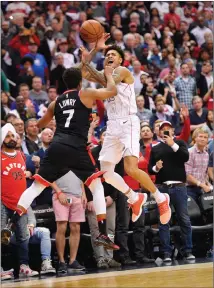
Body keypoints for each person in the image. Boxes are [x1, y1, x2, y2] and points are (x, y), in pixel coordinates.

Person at [6, 66, 119, 250]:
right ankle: (102, 233)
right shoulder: (86, 93)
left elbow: (40, 124)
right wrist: (107, 76)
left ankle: (11, 224)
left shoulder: (56, 101)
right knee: (97, 186)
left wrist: (41, 118)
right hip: (76, 147)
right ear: (80, 82)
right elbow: (112, 91)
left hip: (57, 147)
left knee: (36, 186)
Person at [80, 34, 171, 225]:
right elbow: (86, 74)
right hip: (112, 124)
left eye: (113, 54)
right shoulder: (107, 75)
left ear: (121, 59)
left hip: (128, 122)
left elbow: (99, 77)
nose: (110, 56)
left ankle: (161, 198)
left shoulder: (121, 71)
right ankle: (134, 197)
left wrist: (93, 65)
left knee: (130, 168)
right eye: (107, 55)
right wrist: (89, 56)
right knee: (106, 172)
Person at [148, 121, 195, 262]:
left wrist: (172, 144)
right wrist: (156, 168)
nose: (165, 131)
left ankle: (188, 250)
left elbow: (185, 157)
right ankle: (166, 253)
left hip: (179, 187)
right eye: (163, 129)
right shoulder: (155, 148)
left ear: (173, 130)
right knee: (164, 221)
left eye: (168, 128)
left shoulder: (180, 143)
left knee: (184, 219)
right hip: (162, 188)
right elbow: (150, 169)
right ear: (159, 132)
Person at [1, 123, 38, 277]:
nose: (11, 138)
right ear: (2, 139)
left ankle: (24, 266)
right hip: (2, 202)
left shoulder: (22, 156)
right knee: (1, 235)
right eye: (8, 136)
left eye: (13, 135)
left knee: (24, 236)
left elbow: (36, 167)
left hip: (21, 203)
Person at [53, 171, 87, 273]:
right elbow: (48, 177)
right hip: (60, 195)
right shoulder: (53, 156)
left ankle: (72, 260)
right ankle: (61, 261)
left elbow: (81, 177)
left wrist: (83, 193)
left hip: (77, 195)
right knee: (62, 226)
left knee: (76, 227)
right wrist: (58, 192)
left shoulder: (78, 158)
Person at [185, 128, 211, 203]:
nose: (203, 139)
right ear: (195, 138)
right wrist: (203, 185)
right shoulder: (189, 152)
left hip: (201, 189)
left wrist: (208, 184)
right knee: (193, 214)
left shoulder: (206, 154)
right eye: (200, 136)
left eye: (205, 137)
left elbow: (204, 174)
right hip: (189, 189)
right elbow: (187, 176)